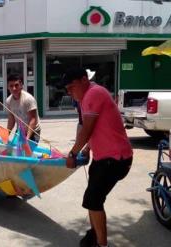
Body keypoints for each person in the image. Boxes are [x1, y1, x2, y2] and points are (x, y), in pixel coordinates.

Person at [63, 68, 133, 247]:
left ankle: (102, 244)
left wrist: (73, 153)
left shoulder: (94, 93)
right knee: (92, 199)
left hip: (115, 159)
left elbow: (87, 129)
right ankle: (94, 235)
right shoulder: (89, 96)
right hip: (103, 158)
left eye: (72, 87)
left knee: (93, 200)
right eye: (67, 90)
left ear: (84, 80)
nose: (70, 93)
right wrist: (88, 148)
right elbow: (99, 128)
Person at [6, 74, 41, 143]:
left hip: (33, 131)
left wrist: (27, 138)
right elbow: (11, 119)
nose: (14, 88)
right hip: (20, 130)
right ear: (8, 87)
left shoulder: (28, 99)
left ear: (21, 85)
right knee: (16, 151)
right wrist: (6, 134)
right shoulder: (8, 101)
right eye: (11, 86)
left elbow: (33, 119)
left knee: (28, 152)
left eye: (16, 85)